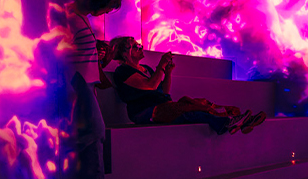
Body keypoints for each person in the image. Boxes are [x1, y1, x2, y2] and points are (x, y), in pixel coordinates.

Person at [107, 36, 268, 134]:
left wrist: (168, 72)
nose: (140, 47)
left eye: (139, 45)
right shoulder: (123, 71)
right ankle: (229, 122)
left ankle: (239, 120)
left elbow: (163, 91)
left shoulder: (146, 69)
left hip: (164, 106)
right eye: (135, 46)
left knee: (199, 102)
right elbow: (151, 85)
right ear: (125, 53)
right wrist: (161, 65)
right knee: (193, 111)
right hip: (147, 112)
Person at [66, 0, 124, 179]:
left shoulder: (80, 17)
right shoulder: (71, 17)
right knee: (95, 131)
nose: (107, 12)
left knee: (95, 132)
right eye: (108, 7)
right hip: (78, 82)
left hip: (85, 82)